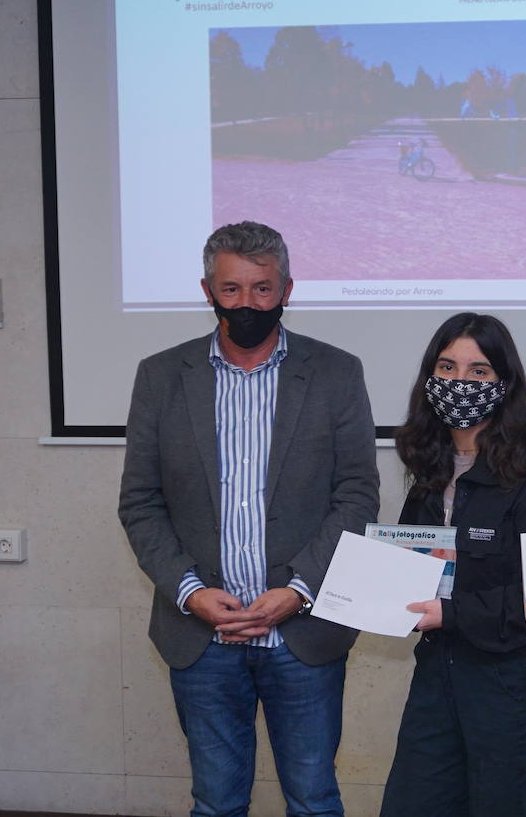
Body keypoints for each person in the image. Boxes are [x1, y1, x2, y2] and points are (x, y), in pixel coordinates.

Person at [118, 221, 379, 817]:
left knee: (313, 799)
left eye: (262, 289)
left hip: (303, 630)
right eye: (231, 289)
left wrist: (298, 590)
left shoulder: (337, 373)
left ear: (288, 288)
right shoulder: (161, 377)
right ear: (207, 290)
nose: (247, 303)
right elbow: (140, 502)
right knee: (215, 801)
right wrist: (189, 592)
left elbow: (357, 496)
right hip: (201, 637)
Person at [380, 313, 526, 817]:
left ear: (504, 384)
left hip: (508, 689)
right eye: (447, 367)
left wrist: (453, 612)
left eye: (478, 371)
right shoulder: (429, 470)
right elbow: (409, 561)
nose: (459, 382)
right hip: (435, 679)